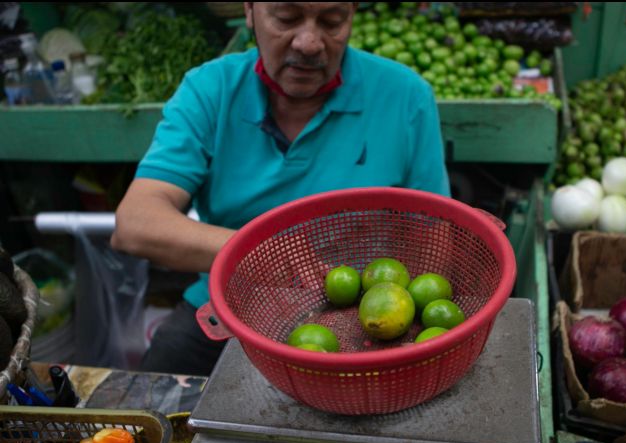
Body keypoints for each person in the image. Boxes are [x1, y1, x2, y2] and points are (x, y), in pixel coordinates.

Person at [111, 2, 451, 376]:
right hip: (232, 307)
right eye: (286, 19)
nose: (308, 43)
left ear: (352, 15)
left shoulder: (404, 97)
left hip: (364, 315)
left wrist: (404, 327)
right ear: (249, 11)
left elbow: (433, 236)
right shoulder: (211, 90)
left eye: (332, 22)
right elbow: (135, 224)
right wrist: (254, 252)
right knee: (156, 383)